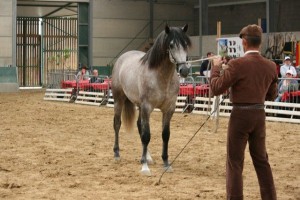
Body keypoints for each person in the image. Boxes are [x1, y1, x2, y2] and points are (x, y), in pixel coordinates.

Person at [210, 24, 277, 200]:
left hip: (240, 115)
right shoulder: (271, 66)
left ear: (245, 43)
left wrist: (216, 68)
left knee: (235, 163)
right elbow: (272, 95)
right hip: (259, 115)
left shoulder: (236, 64)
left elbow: (216, 88)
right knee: (262, 161)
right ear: (260, 44)